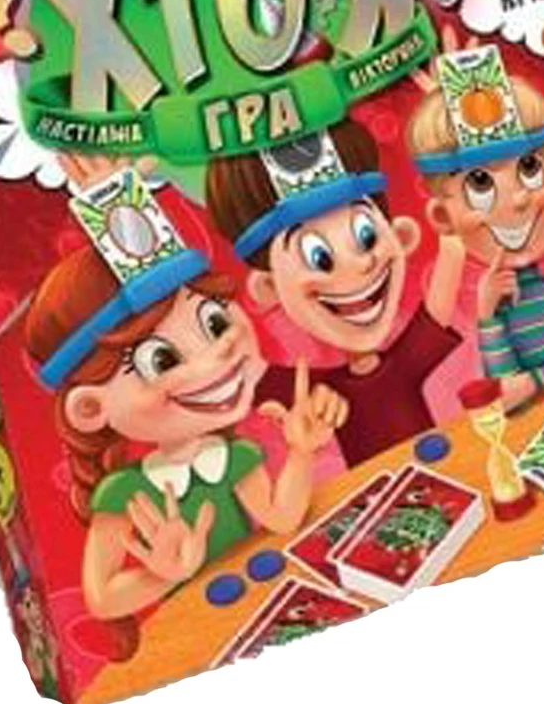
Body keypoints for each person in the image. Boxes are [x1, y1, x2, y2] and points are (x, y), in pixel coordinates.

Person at [25, 171, 345, 658]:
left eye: (214, 322)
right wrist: (163, 574)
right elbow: (103, 598)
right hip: (197, 644)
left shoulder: (234, 456)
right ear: (90, 408)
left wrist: (302, 453)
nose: (218, 353)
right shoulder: (125, 493)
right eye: (162, 359)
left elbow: (281, 518)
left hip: (267, 613)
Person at [205, 119, 466, 466]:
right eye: (319, 257)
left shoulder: (402, 365)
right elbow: (248, 371)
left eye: (366, 236)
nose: (358, 265)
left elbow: (437, 309)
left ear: (401, 236)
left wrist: (452, 231)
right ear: (268, 288)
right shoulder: (315, 391)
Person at [407, 43, 544, 412]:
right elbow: (505, 393)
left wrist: (535, 381)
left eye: (529, 168)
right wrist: (487, 316)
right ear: (443, 218)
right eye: (480, 182)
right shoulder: (498, 315)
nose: (516, 200)